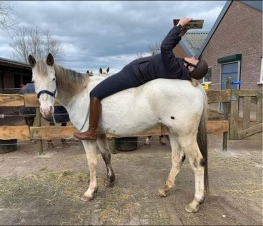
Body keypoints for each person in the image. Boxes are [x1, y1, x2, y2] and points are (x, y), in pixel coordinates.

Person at [74, 17, 208, 140]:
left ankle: (91, 131)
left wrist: (178, 26)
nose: (193, 58)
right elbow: (169, 46)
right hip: (135, 73)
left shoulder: (176, 68)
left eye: (195, 61)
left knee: (95, 93)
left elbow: (165, 47)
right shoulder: (179, 68)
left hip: (132, 75)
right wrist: (179, 34)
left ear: (191, 68)